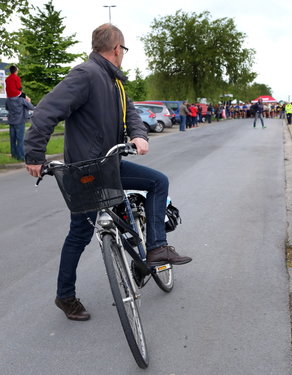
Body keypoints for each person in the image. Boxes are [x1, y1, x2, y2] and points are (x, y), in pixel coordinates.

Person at [24, 24, 192, 322]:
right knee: (80, 232)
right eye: (123, 50)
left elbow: (133, 117)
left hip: (109, 164)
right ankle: (66, 296)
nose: (123, 54)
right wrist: (35, 154)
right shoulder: (86, 74)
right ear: (117, 49)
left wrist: (139, 135)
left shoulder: (115, 82)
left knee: (156, 183)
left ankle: (154, 250)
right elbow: (46, 110)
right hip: (85, 171)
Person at [5, 94, 34, 161]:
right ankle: (21, 156)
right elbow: (31, 107)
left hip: (11, 121)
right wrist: (28, 100)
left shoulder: (8, 99)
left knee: (13, 139)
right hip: (20, 121)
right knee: (20, 140)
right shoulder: (21, 99)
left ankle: (14, 155)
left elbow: (7, 108)